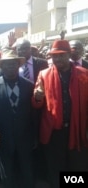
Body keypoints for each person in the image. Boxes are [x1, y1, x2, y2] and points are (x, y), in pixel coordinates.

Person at [32, 40, 88, 188]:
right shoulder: (43, 74)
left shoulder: (84, 75)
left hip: (77, 129)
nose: (57, 59)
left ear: (69, 55)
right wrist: (37, 98)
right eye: (54, 56)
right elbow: (37, 103)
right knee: (56, 165)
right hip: (54, 131)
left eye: (61, 55)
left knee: (77, 164)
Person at [0, 50, 35, 188]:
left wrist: (35, 136)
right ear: (1, 67)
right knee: (7, 173)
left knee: (26, 171)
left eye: (14, 64)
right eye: (7, 64)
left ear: (19, 65)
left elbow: (34, 114)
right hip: (3, 137)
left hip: (25, 137)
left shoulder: (29, 85)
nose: (10, 67)